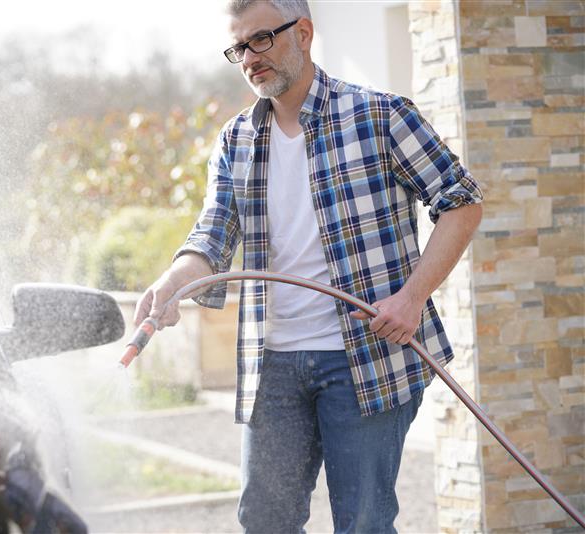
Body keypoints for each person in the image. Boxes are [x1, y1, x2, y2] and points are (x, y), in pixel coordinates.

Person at [133, 1, 483, 532]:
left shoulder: (380, 116)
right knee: (265, 520)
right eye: (238, 48)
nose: (249, 58)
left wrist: (411, 298)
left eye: (260, 40)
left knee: (362, 523)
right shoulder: (236, 140)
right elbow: (212, 234)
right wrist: (172, 281)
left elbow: (462, 201)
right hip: (272, 364)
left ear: (303, 33)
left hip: (367, 355)